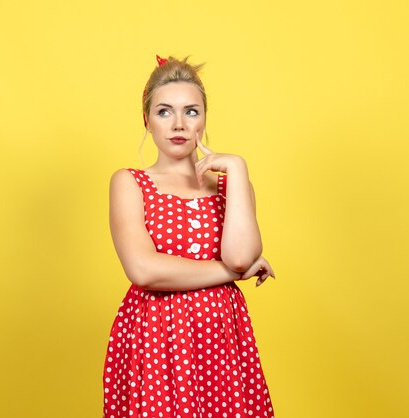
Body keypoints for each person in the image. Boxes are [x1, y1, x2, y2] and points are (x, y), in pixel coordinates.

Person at [103, 55, 277, 418]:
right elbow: (144, 270)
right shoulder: (130, 183)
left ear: (204, 119)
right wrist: (232, 273)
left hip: (222, 339)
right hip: (157, 336)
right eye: (164, 112)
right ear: (146, 121)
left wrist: (237, 167)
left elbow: (242, 256)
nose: (179, 124)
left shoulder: (232, 183)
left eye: (191, 112)